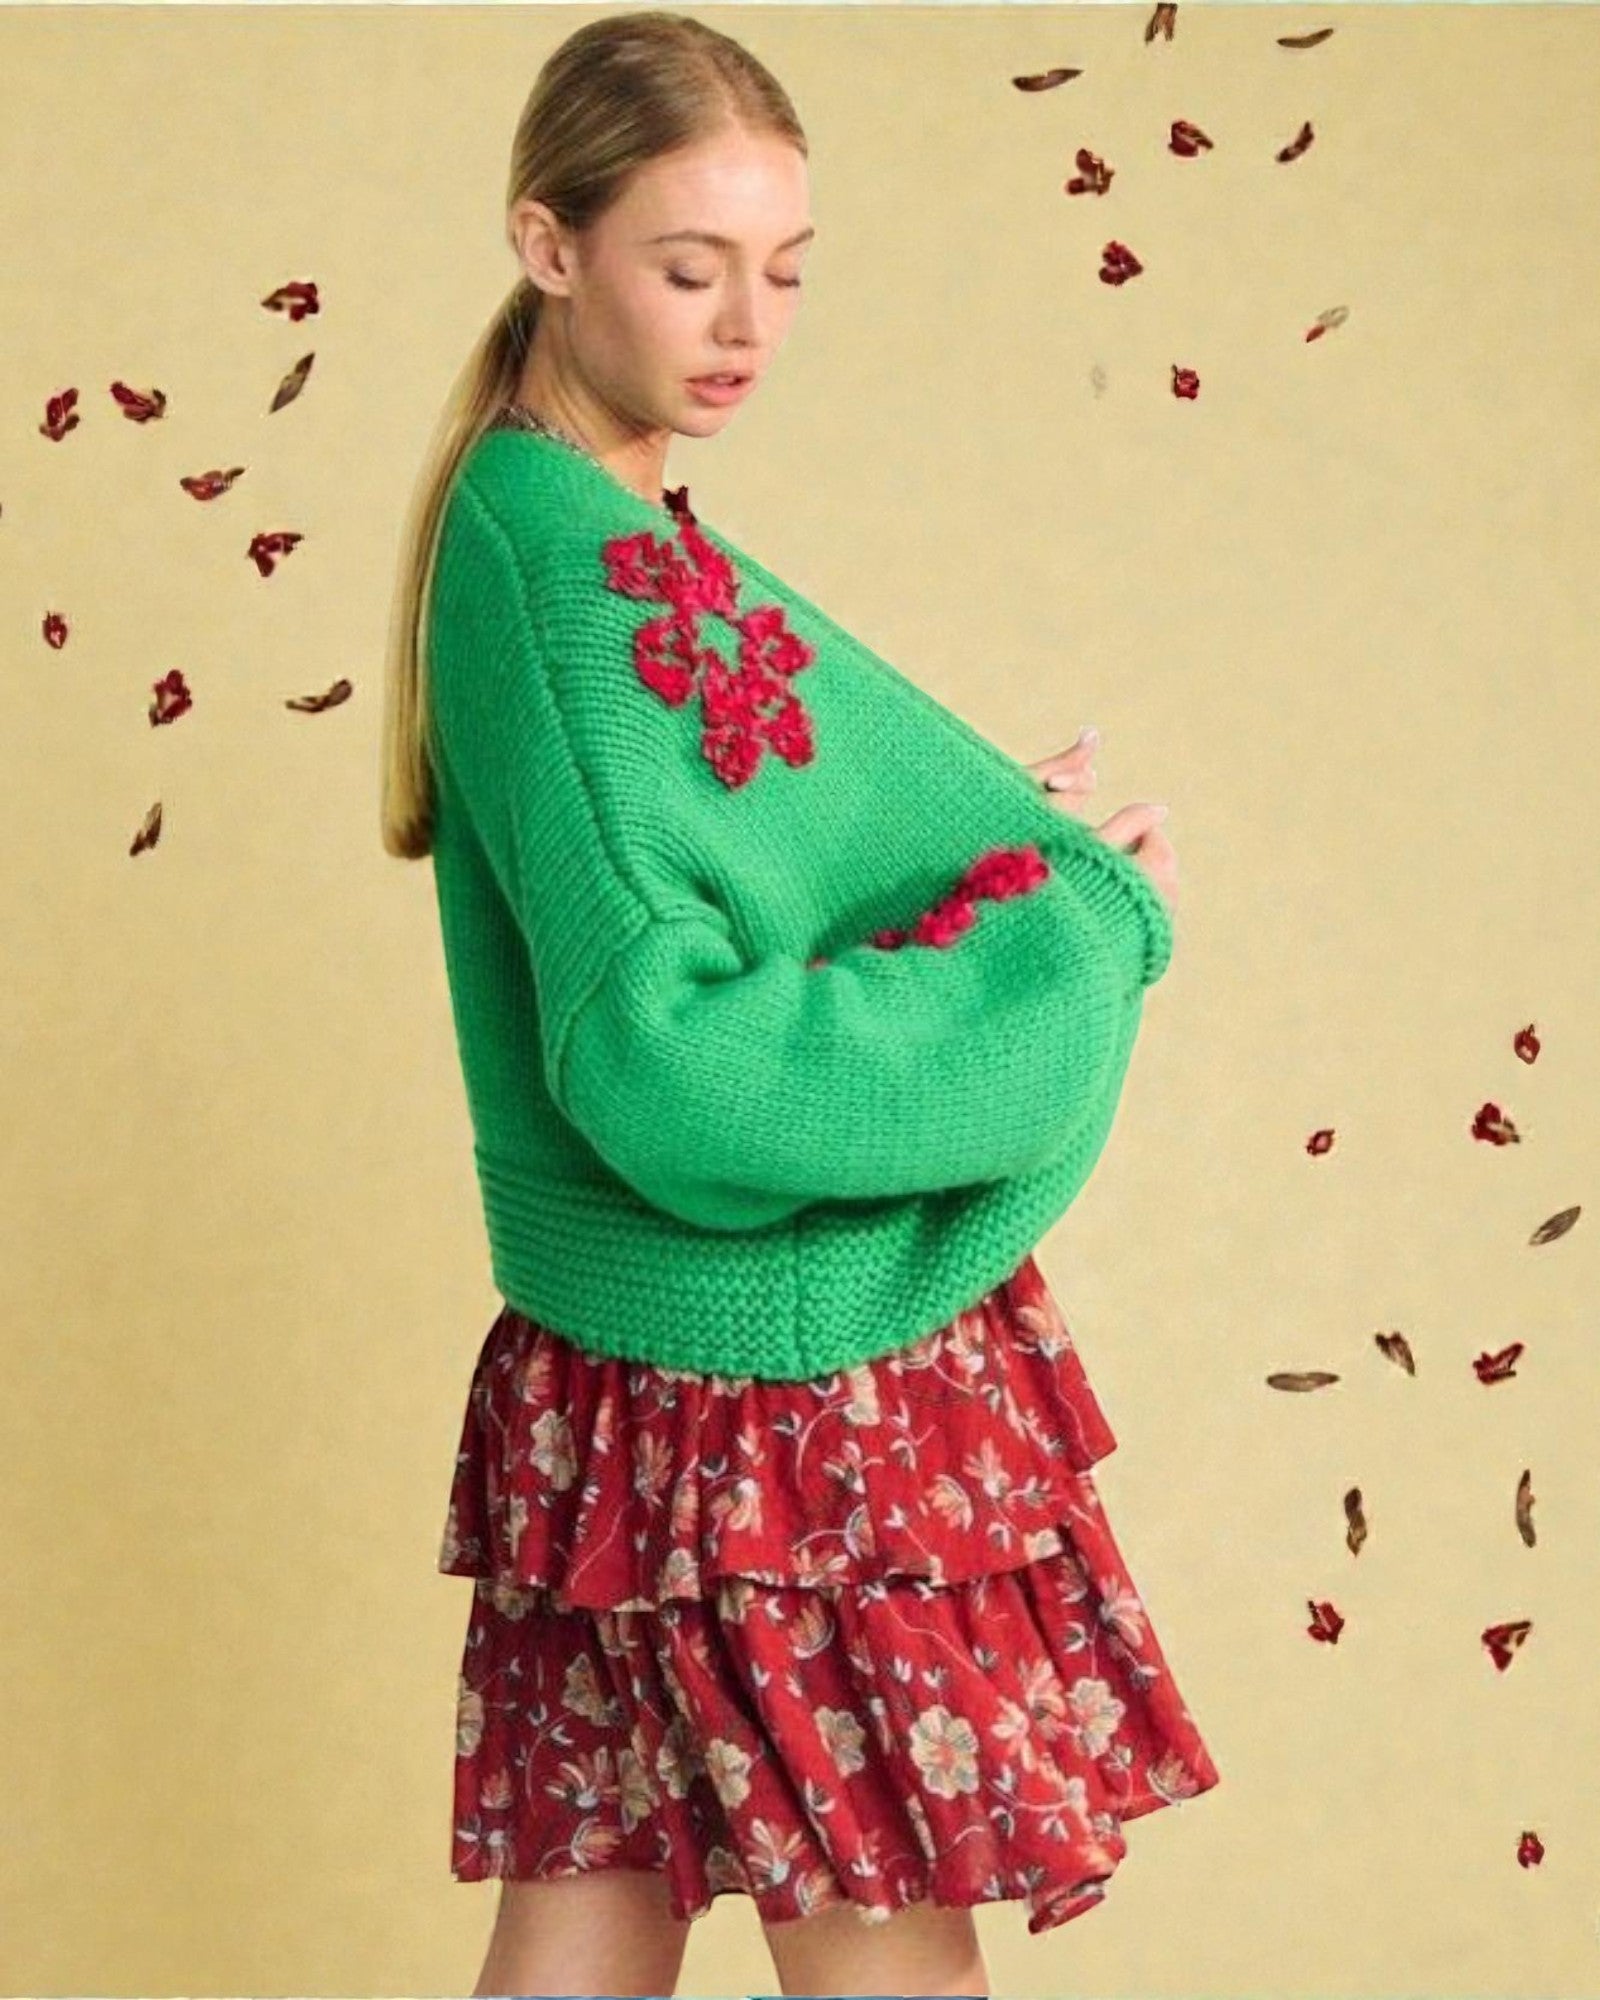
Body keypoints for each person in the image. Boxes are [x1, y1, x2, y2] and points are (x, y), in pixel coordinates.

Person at [378, 13, 1218, 1996]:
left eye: (783, 268)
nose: (746, 321)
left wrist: (964, 861)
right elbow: (664, 1058)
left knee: (589, 1920)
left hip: (636, 1386)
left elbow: (723, 855)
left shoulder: (578, 525)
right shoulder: (567, 566)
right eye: (688, 266)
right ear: (546, 241)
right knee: (880, 1957)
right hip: (765, 1400)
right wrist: (1050, 939)